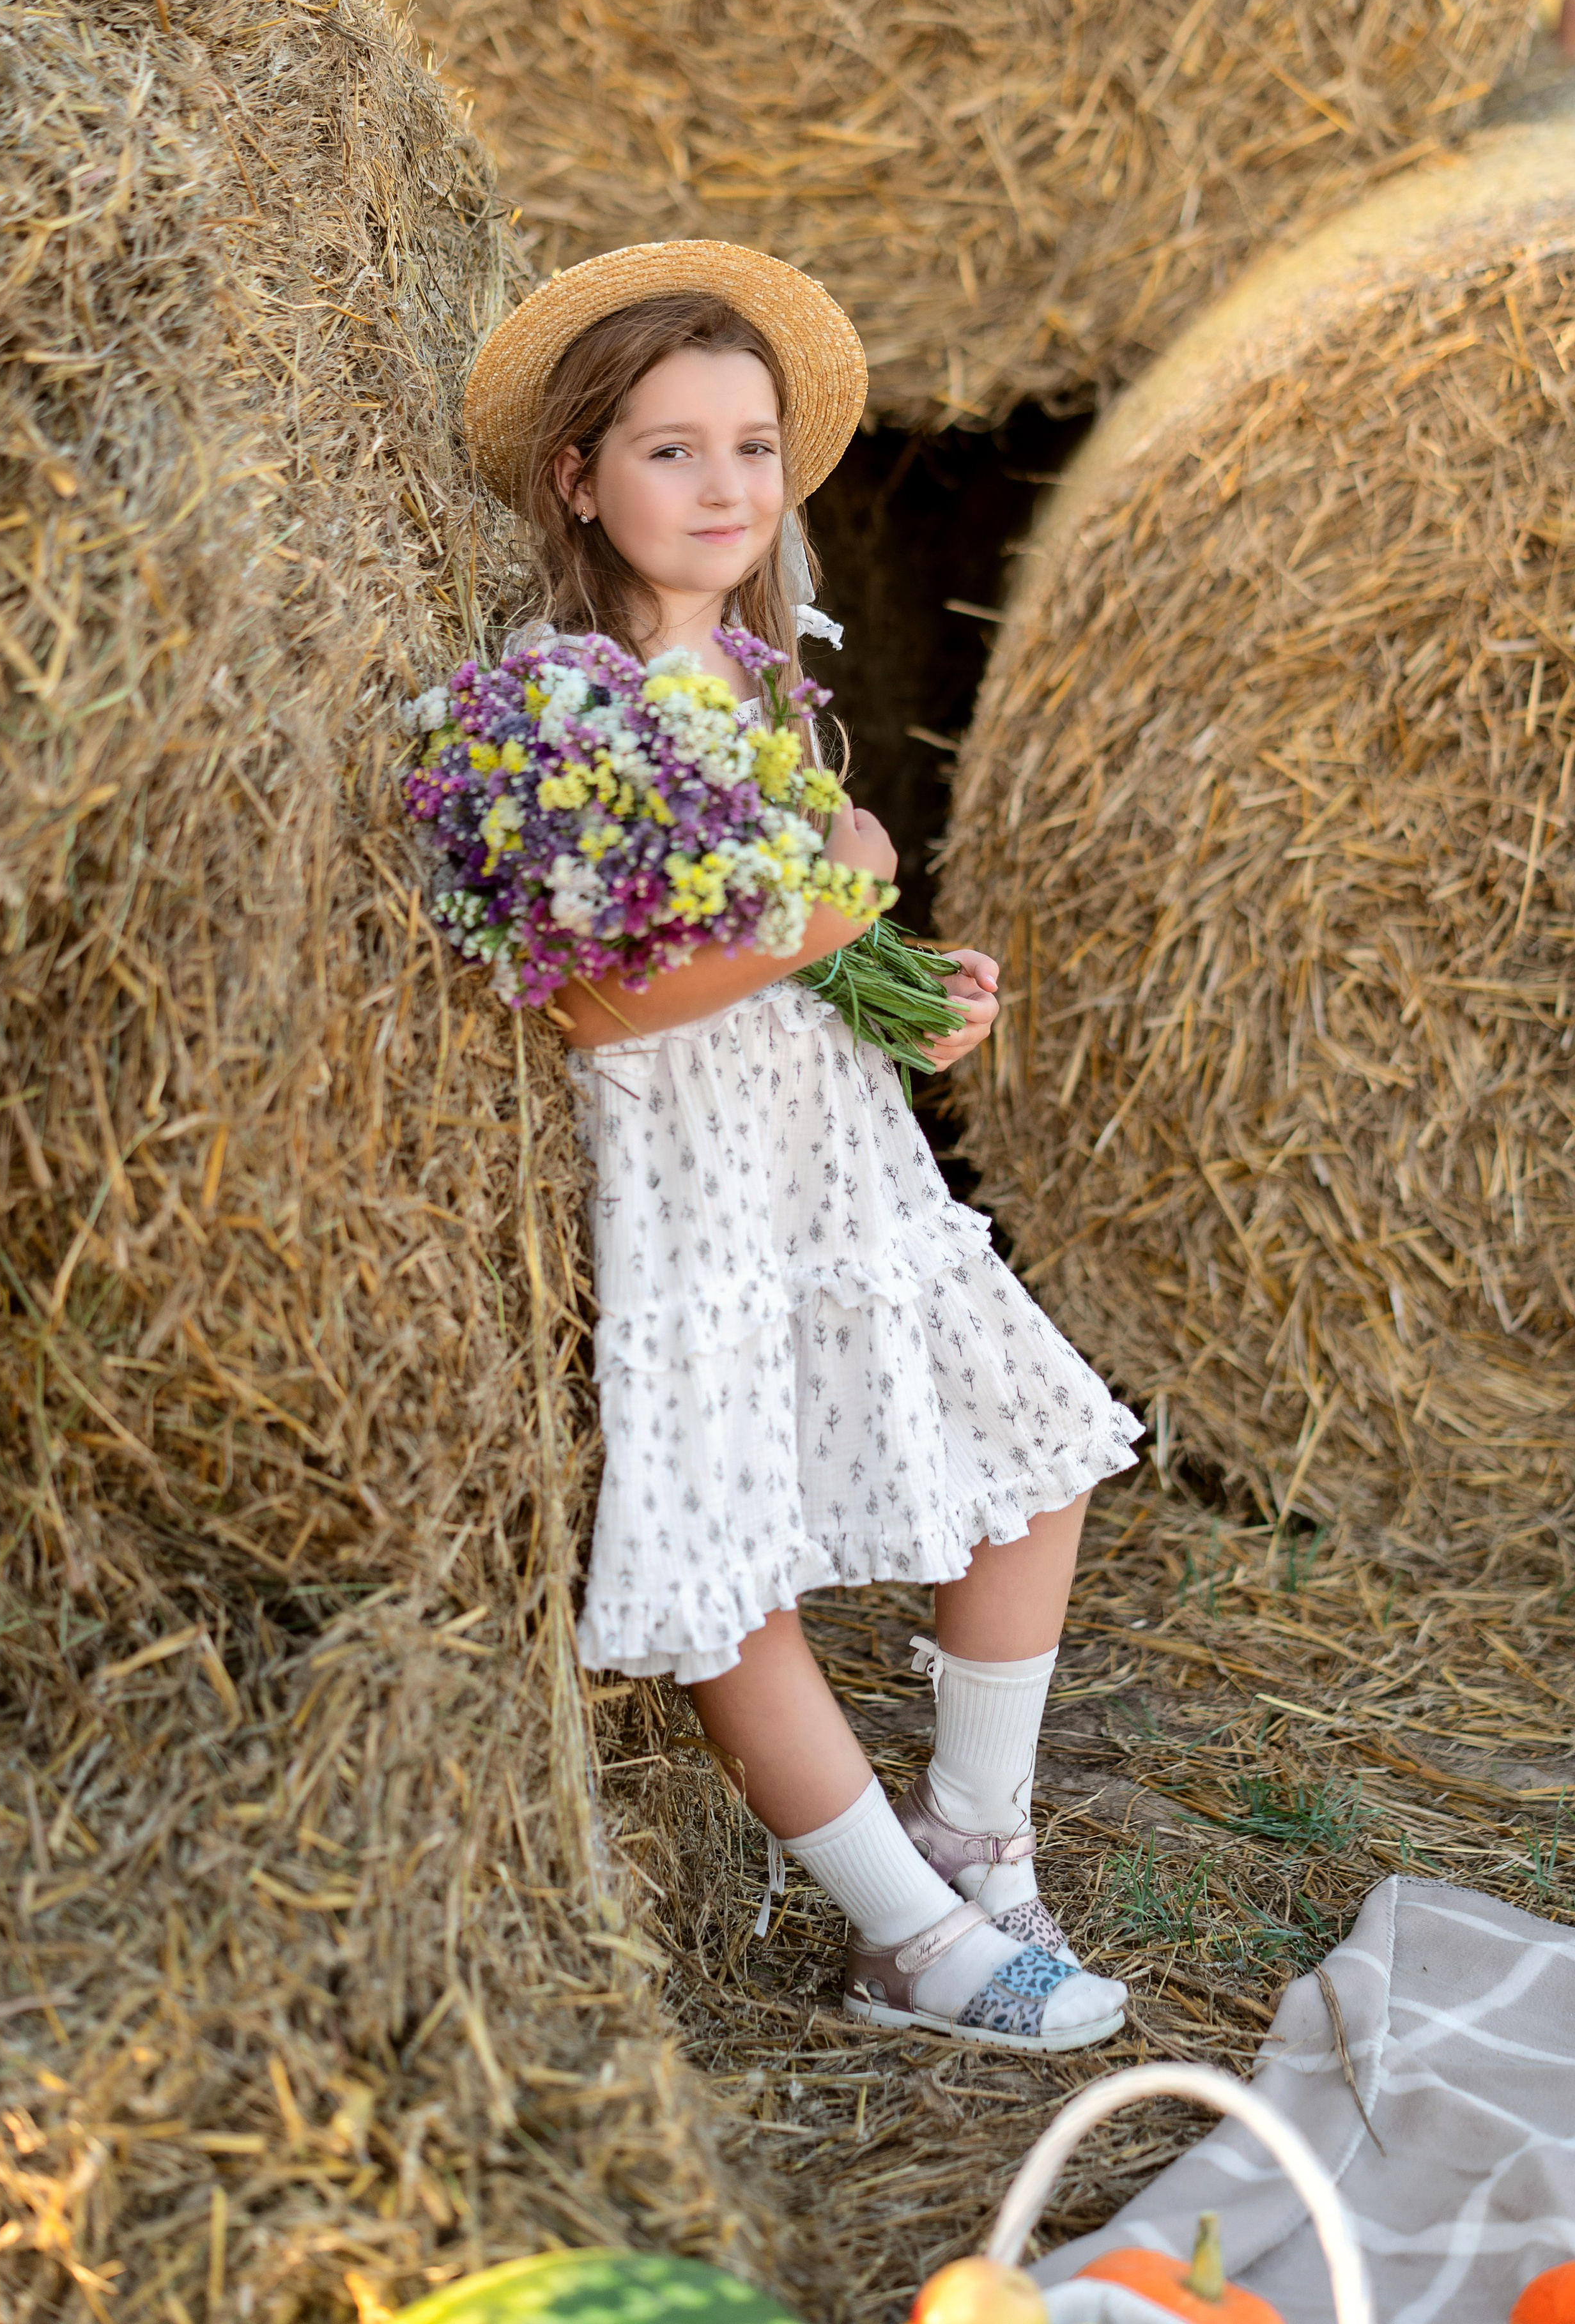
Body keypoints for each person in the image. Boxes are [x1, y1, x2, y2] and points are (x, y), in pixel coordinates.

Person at [462, 241, 1144, 2051]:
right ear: (577, 479)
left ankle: (975, 1840)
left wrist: (906, 997)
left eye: (749, 447)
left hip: (834, 1164)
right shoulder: (560, 703)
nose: (722, 486)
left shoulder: (759, 689)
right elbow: (593, 1005)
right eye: (670, 449)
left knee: (1037, 1449)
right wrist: (819, 919)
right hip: (692, 1183)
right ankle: (912, 1944)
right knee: (731, 1571)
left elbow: (788, 950)